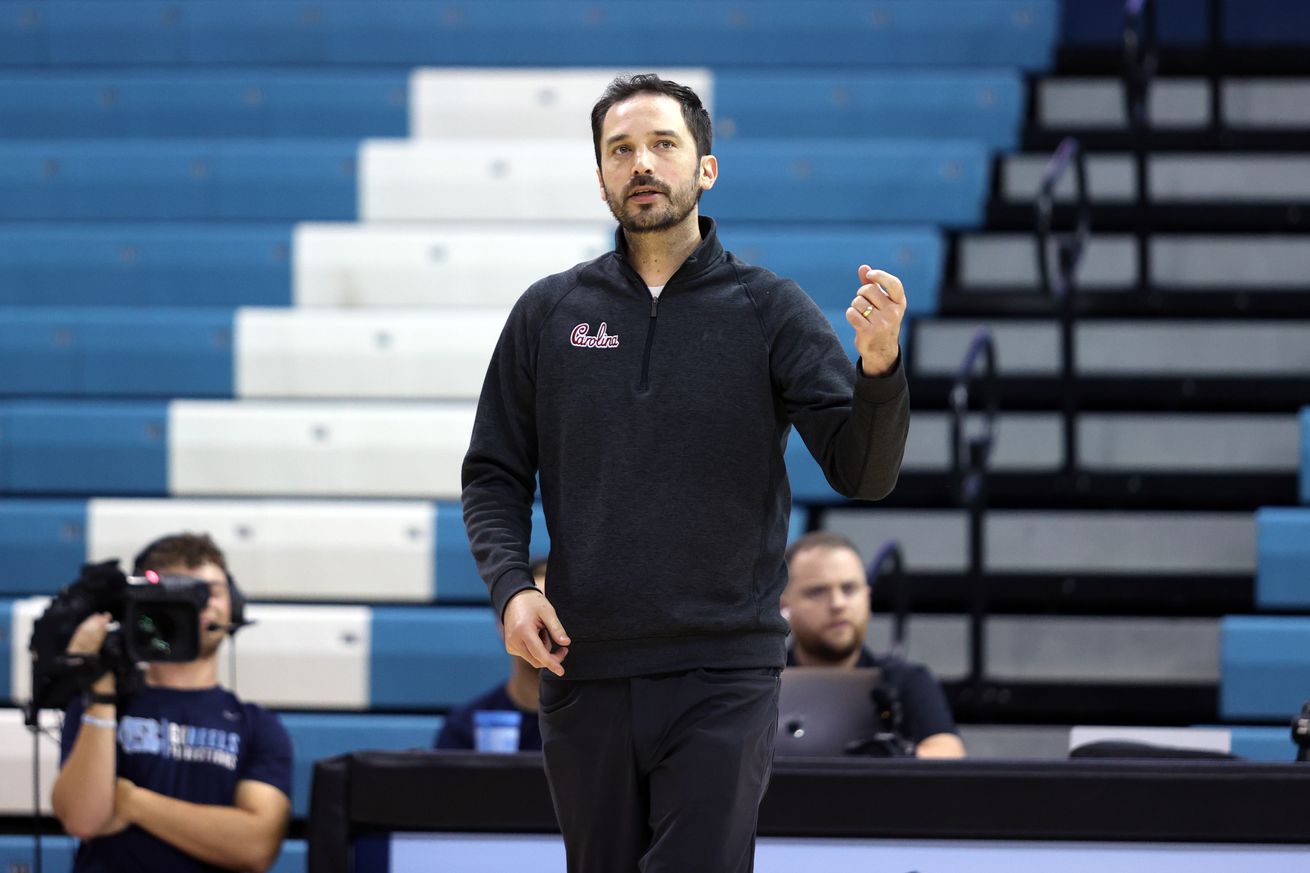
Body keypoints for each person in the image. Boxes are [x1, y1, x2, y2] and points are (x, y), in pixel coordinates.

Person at [461, 73, 910, 872]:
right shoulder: (547, 312)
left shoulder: (770, 309)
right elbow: (493, 471)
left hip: (723, 672)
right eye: (620, 149)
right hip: (582, 667)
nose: (642, 163)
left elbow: (863, 473)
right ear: (600, 175)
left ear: (705, 168)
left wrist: (879, 369)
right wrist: (511, 586)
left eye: (663, 145)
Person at [51, 533, 293, 873]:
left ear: (233, 605)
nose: (201, 603)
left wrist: (132, 802)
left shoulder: (258, 726)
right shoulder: (100, 703)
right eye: (183, 592)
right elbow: (83, 819)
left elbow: (255, 846)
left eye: (212, 591)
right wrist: (101, 693)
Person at [782, 531, 965, 759]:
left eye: (849, 589)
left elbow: (949, 752)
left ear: (867, 598)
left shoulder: (905, 680)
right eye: (817, 591)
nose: (838, 604)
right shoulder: (761, 686)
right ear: (783, 605)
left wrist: (903, 755)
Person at [434, 558, 546, 752]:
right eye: (532, 616)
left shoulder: (599, 726)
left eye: (554, 614)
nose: (544, 626)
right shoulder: (463, 730)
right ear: (503, 626)